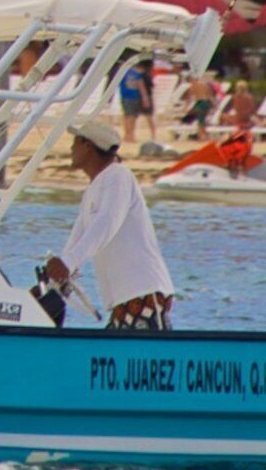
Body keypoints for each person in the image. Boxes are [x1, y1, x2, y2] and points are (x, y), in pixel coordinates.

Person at [33, 116, 175, 331]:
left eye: (75, 142)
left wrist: (68, 262)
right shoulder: (94, 189)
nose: (71, 148)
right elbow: (79, 239)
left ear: (88, 146)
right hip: (123, 302)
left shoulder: (118, 175)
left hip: (143, 294)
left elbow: (107, 223)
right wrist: (53, 283)